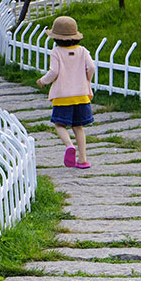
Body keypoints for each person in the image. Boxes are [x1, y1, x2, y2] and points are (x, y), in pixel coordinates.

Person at [36, 15, 95, 168]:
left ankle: (69, 145)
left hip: (62, 96)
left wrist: (43, 81)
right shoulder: (82, 51)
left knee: (59, 124)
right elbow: (92, 67)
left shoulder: (56, 52)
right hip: (81, 95)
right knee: (79, 127)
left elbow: (54, 72)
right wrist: (86, 80)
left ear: (56, 38)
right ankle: (83, 159)